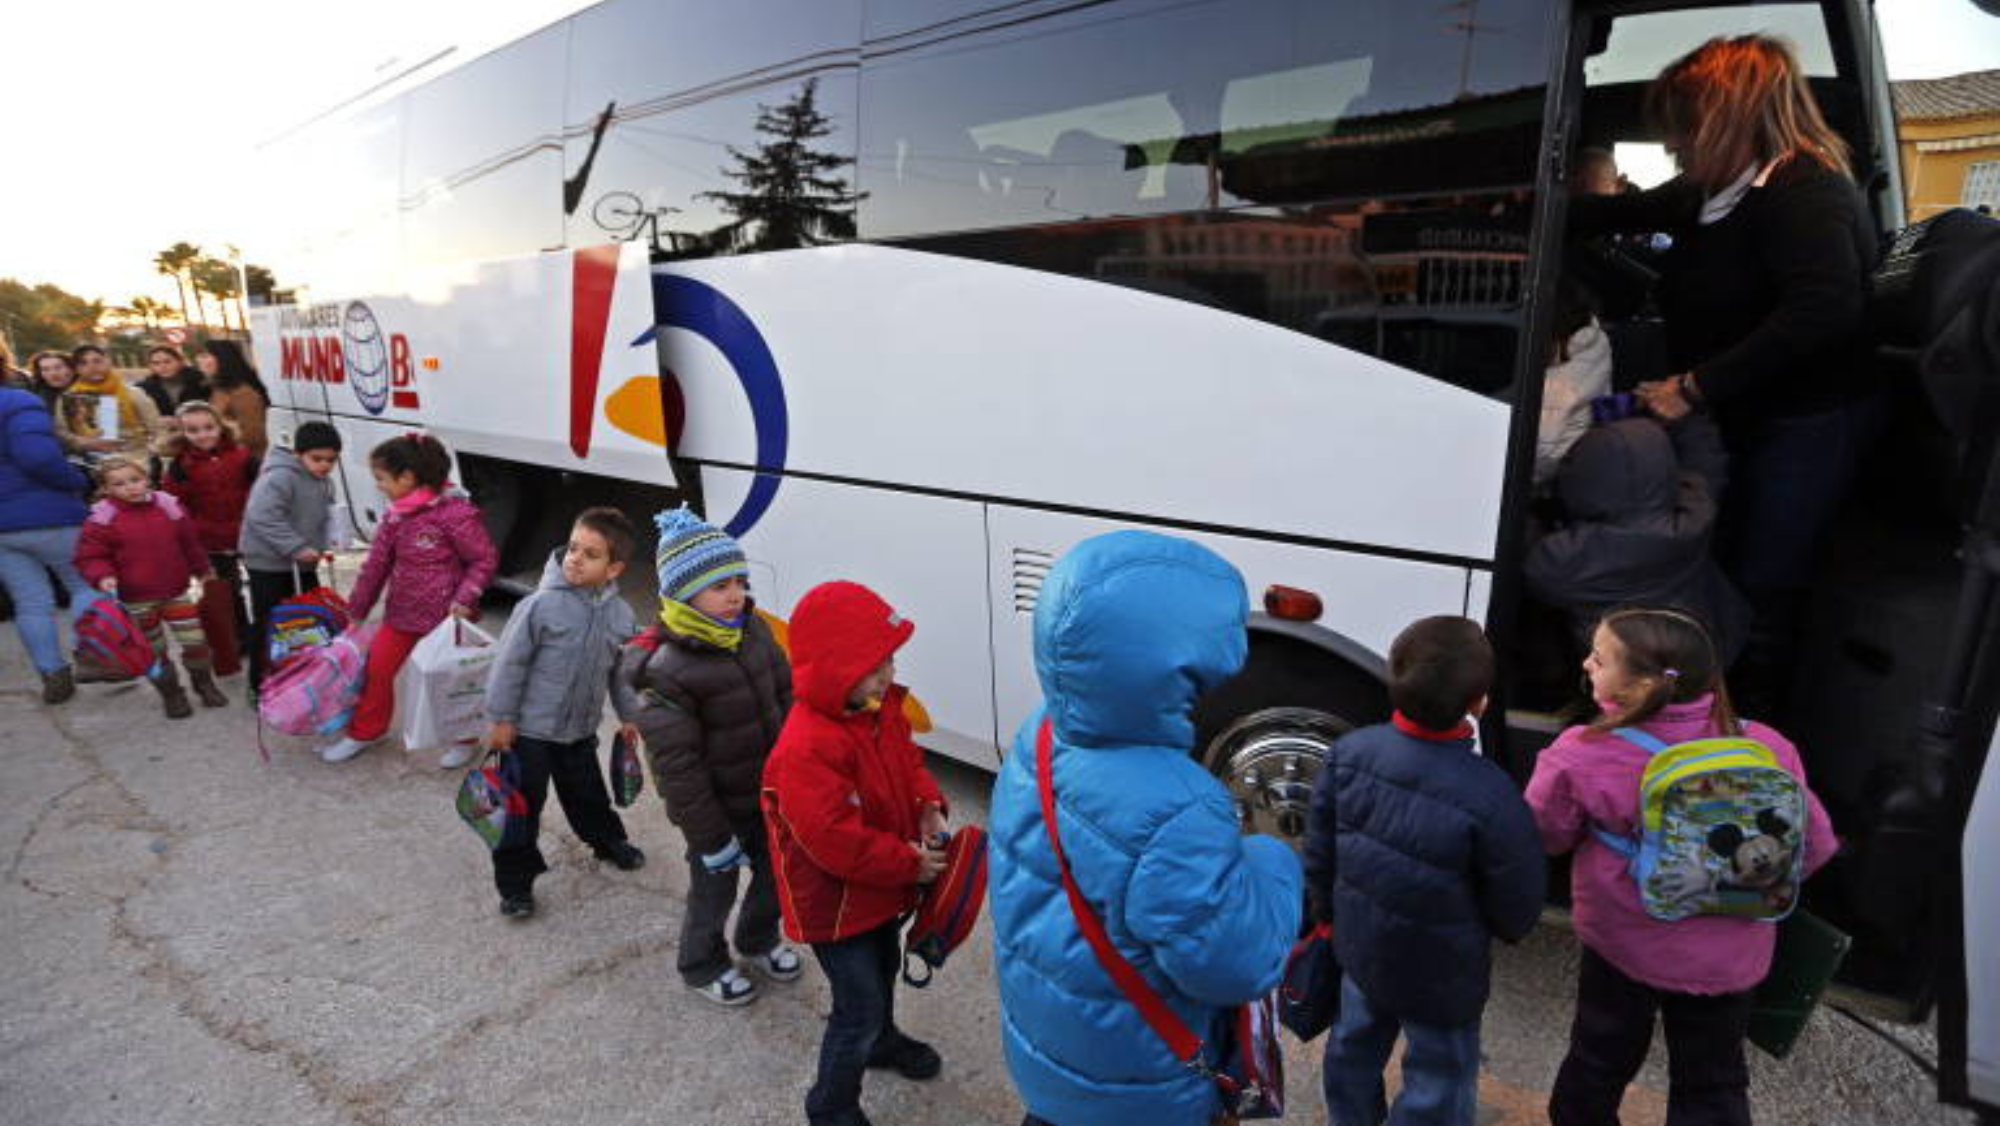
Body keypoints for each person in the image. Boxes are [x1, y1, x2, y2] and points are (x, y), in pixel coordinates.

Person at [1571, 35, 1880, 715]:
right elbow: (1615, 213)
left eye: (1681, 128)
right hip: (1749, 418)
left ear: (1725, 119)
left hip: (1803, 424)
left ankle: (1750, 736)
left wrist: (1694, 386)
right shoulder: (1713, 191)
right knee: (1731, 567)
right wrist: (1516, 207)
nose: (1671, 144)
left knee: (1763, 582)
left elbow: (1825, 309)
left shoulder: (1803, 191)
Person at [987, 530, 1304, 1126]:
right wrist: (1274, 859)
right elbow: (1237, 963)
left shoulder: (1041, 734)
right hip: (1135, 1091)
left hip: (1048, 1056)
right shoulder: (1178, 808)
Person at [1526, 608, 1838, 1126]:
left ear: (1640, 686)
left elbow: (1546, 836)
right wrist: (1732, 886)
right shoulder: (1768, 746)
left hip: (1625, 944)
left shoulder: (1583, 753)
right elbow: (1817, 846)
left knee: (1599, 1059)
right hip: (1731, 957)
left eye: (1598, 659)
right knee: (1713, 1081)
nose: (1586, 663)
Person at [1303, 616, 1545, 1126]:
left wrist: (1326, 917)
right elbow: (1516, 896)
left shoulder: (1349, 753)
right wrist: (1507, 928)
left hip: (1361, 946)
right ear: (1479, 703)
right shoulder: (1491, 791)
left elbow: (1320, 850)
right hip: (1443, 971)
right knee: (1440, 1076)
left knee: (1352, 1048)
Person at [760, 580, 949, 1126]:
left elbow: (907, 761)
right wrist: (910, 863)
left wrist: (928, 804)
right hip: (836, 906)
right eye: (872, 665)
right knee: (856, 1007)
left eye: (889, 658)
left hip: (878, 888)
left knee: (883, 969)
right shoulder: (805, 747)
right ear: (832, 669)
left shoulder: (876, 707)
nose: (887, 674)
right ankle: (831, 1106)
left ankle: (882, 1042)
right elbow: (834, 840)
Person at [621, 508, 798, 1005]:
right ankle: (701, 964)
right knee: (714, 889)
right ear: (683, 593)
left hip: (770, 793)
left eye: (740, 581)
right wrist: (710, 837)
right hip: (717, 811)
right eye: (720, 586)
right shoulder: (666, 671)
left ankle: (757, 938)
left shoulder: (753, 630)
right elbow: (678, 770)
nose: (735, 594)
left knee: (777, 875)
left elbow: (786, 695)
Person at [481, 506, 647, 916]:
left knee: (589, 797)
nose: (575, 559)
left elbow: (621, 673)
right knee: (520, 811)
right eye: (573, 548)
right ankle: (515, 886)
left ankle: (608, 842)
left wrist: (629, 716)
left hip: (579, 733)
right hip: (529, 734)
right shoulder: (539, 606)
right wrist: (502, 719)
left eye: (591, 554)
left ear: (614, 568)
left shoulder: (621, 615)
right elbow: (509, 665)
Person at [320, 433, 496, 764]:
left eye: (382, 479)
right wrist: (357, 609)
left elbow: (483, 559)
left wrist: (465, 598)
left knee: (450, 681)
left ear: (408, 478)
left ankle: (464, 740)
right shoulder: (394, 516)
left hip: (448, 620)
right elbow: (376, 566)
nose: (379, 486)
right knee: (378, 669)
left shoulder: (455, 513)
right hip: (401, 615)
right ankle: (367, 731)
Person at [1525, 415, 1751, 667]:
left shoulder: (1565, 559)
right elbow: (1706, 465)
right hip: (1711, 646)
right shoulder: (1694, 517)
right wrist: (1688, 418)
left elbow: (1515, 531)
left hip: (1624, 672)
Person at [73, 455, 228, 716]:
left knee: (196, 642)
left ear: (147, 479)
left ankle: (204, 684)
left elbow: (190, 543)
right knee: (153, 650)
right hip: (135, 599)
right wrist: (102, 575)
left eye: (135, 479)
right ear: (106, 489)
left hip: (176, 592)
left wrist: (203, 570)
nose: (130, 487)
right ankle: (171, 693)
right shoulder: (102, 518)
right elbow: (90, 556)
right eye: (119, 484)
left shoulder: (168, 506)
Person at [0, 382, 94, 702]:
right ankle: (96, 658)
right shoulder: (15, 401)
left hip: (3, 530)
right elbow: (39, 458)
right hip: (50, 513)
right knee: (84, 584)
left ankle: (53, 674)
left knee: (30, 601)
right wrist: (77, 480)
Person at [239, 421, 342, 695]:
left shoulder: (325, 482)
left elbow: (323, 518)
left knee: (307, 618)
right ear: (298, 454)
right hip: (268, 563)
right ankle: (259, 684)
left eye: (331, 460)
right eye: (317, 459)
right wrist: (296, 546)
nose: (324, 465)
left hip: (302, 562)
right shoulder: (279, 477)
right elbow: (262, 516)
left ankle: (299, 673)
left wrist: (327, 542)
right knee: (270, 621)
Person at [159, 402, 259, 677]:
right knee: (226, 593)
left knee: (263, 586)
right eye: (193, 430)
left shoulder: (242, 455)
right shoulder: (180, 466)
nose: (203, 435)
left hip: (250, 533)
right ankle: (238, 639)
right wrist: (189, 538)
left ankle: (266, 632)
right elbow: (176, 507)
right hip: (210, 539)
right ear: (182, 433)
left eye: (208, 427)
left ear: (220, 426)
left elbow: (260, 489)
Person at [64, 345, 163, 465]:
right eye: (83, 363)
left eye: (97, 361)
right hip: (92, 460)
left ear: (108, 362)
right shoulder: (70, 398)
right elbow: (67, 435)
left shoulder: (133, 394)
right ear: (76, 369)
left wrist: (151, 454)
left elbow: (157, 429)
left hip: (136, 458)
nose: (92, 367)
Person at [200, 341, 271, 460]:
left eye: (205, 356)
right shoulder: (219, 389)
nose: (199, 360)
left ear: (223, 359)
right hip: (229, 457)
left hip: (248, 460)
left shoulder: (243, 393)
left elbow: (253, 435)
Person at [137, 345, 211, 416]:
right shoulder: (144, 388)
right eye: (156, 363)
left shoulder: (200, 380)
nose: (162, 366)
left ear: (180, 362)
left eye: (167, 361)